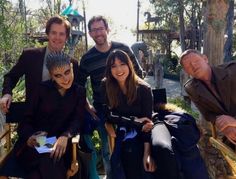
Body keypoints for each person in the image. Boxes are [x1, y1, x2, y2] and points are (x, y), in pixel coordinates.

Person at [77, 15, 144, 178]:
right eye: (94, 30)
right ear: (90, 33)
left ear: (107, 29)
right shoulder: (86, 59)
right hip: (102, 109)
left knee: (133, 144)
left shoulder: (123, 49)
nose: (98, 33)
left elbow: (139, 74)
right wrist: (87, 105)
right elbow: (79, 86)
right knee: (108, 149)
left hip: (129, 106)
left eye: (101, 28)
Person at [101, 49, 180, 179]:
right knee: (130, 151)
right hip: (128, 127)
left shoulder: (143, 88)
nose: (118, 69)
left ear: (129, 65)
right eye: (113, 66)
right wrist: (134, 121)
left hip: (151, 126)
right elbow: (109, 115)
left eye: (122, 64)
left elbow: (147, 123)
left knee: (163, 149)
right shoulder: (106, 85)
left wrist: (147, 154)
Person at [14, 52, 86, 179]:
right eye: (58, 75)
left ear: (72, 67)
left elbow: (78, 120)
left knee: (37, 174)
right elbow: (26, 120)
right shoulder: (41, 89)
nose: (65, 79)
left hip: (63, 146)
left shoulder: (79, 92)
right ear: (52, 76)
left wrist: (66, 135)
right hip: (38, 144)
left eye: (67, 72)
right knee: (48, 159)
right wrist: (30, 136)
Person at [0, 15, 79, 113]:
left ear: (66, 37)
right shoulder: (30, 56)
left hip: (62, 120)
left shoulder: (73, 64)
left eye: (61, 34)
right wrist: (7, 94)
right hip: (33, 119)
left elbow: (77, 92)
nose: (57, 37)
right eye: (53, 33)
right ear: (48, 34)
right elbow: (11, 76)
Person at [180, 49, 236, 144]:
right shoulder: (191, 88)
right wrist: (222, 124)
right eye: (188, 66)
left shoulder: (233, 70)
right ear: (186, 71)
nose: (193, 66)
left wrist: (233, 122)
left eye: (196, 61)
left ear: (205, 59)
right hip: (231, 135)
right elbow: (208, 114)